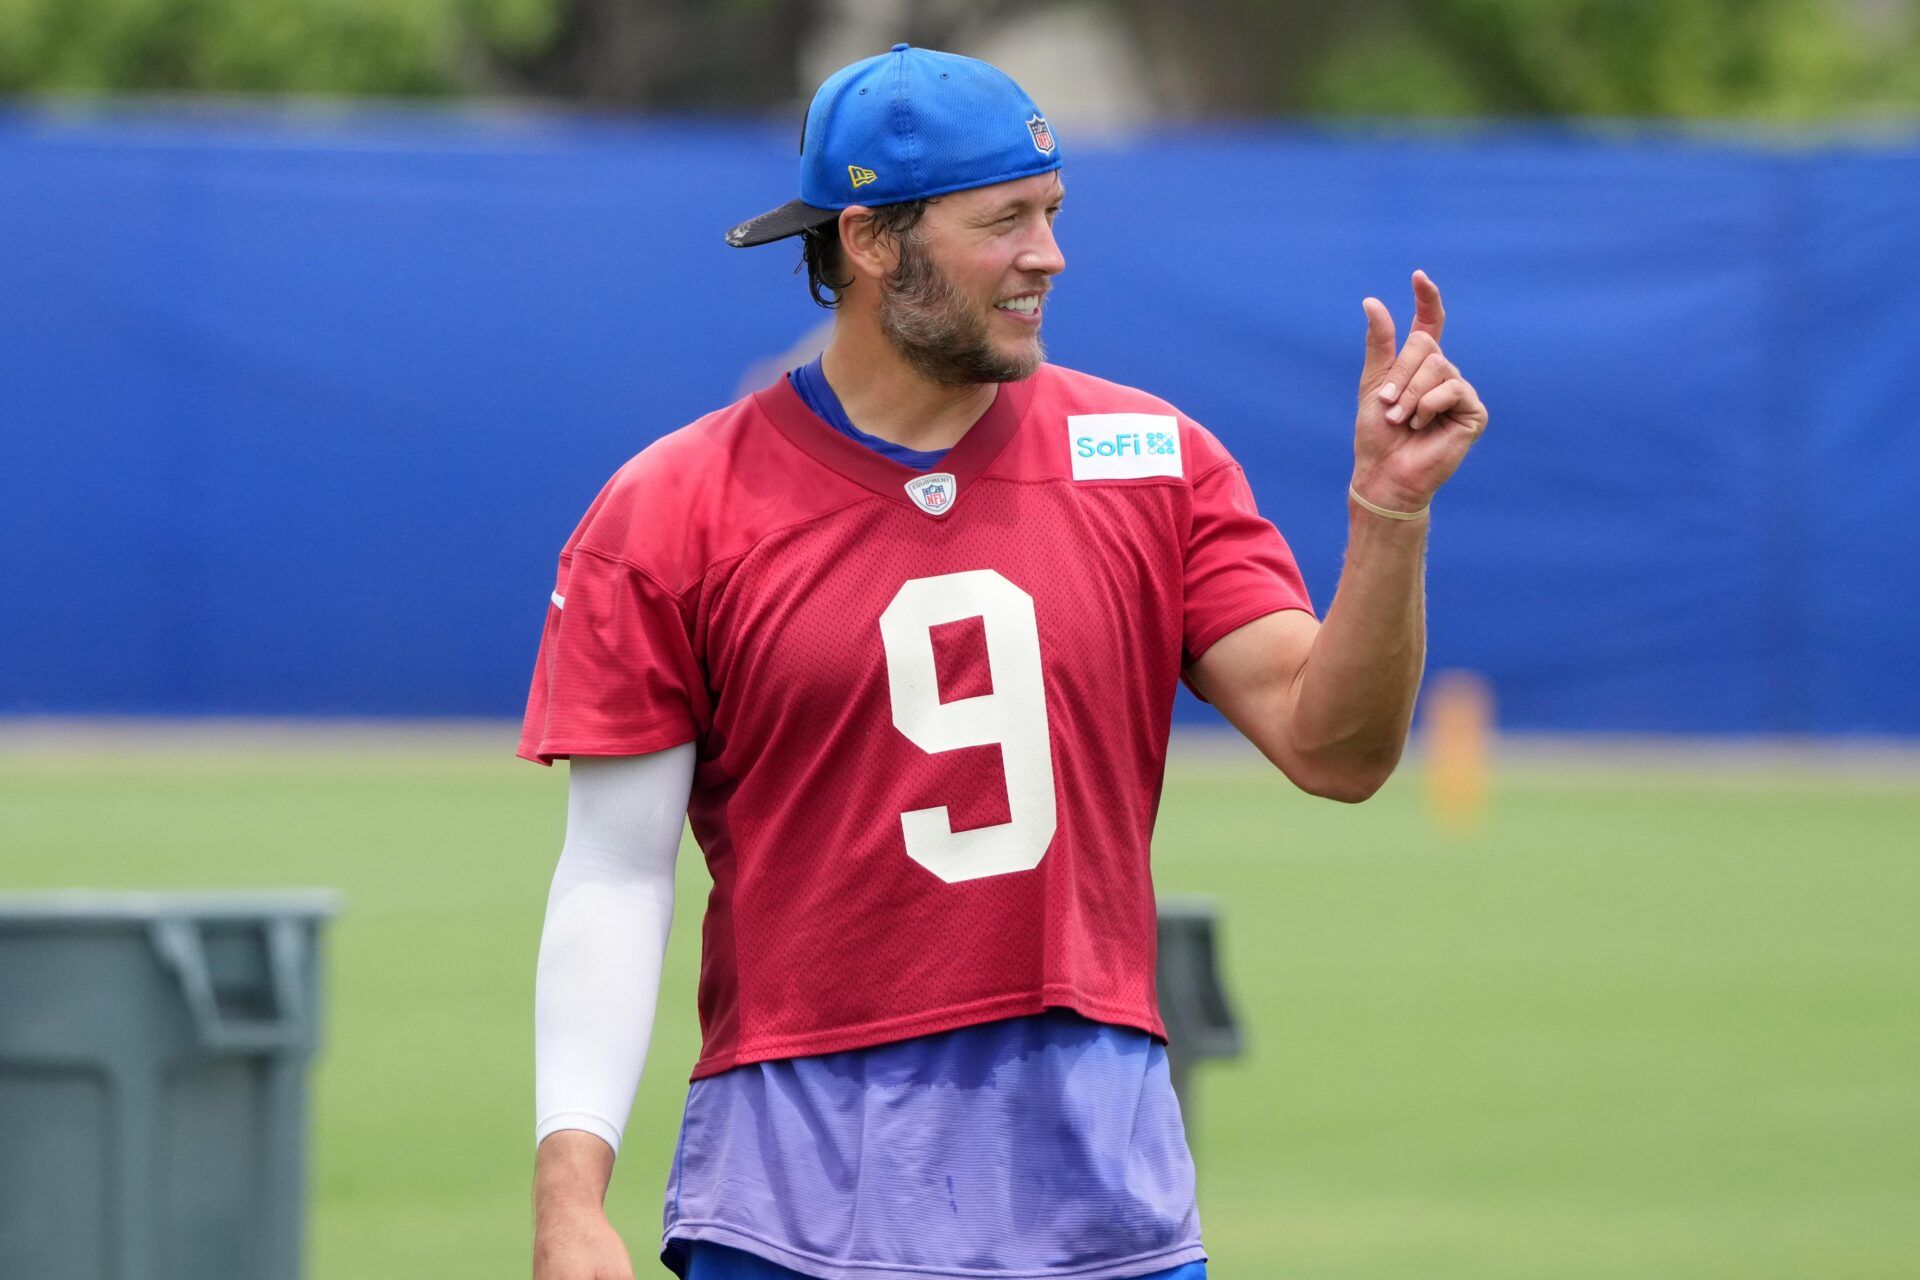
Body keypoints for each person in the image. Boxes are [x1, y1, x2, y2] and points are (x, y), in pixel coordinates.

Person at [523, 43, 1487, 1280]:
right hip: (796, 1194)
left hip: (1100, 1194)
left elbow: (1337, 747)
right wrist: (570, 1193)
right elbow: (614, 871)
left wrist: (1388, 512)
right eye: (1006, 221)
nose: (1049, 254)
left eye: (1053, 211)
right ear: (871, 241)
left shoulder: (1154, 459)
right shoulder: (671, 507)